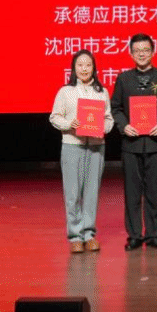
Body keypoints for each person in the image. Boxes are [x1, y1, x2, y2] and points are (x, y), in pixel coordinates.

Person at [110, 33, 157, 251]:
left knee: (154, 193)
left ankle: (153, 235)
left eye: (146, 50)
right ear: (131, 53)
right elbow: (115, 108)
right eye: (137, 50)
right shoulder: (123, 79)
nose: (142, 54)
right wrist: (124, 126)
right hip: (131, 145)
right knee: (132, 193)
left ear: (153, 51)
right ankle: (134, 235)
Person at [49, 49, 114, 253]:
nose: (84, 69)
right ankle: (75, 236)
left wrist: (103, 128)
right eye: (80, 65)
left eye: (88, 65)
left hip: (96, 146)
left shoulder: (101, 92)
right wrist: (70, 124)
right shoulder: (65, 91)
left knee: (92, 192)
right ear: (74, 68)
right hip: (72, 145)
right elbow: (54, 117)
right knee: (73, 193)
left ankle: (89, 234)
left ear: (94, 68)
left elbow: (109, 118)